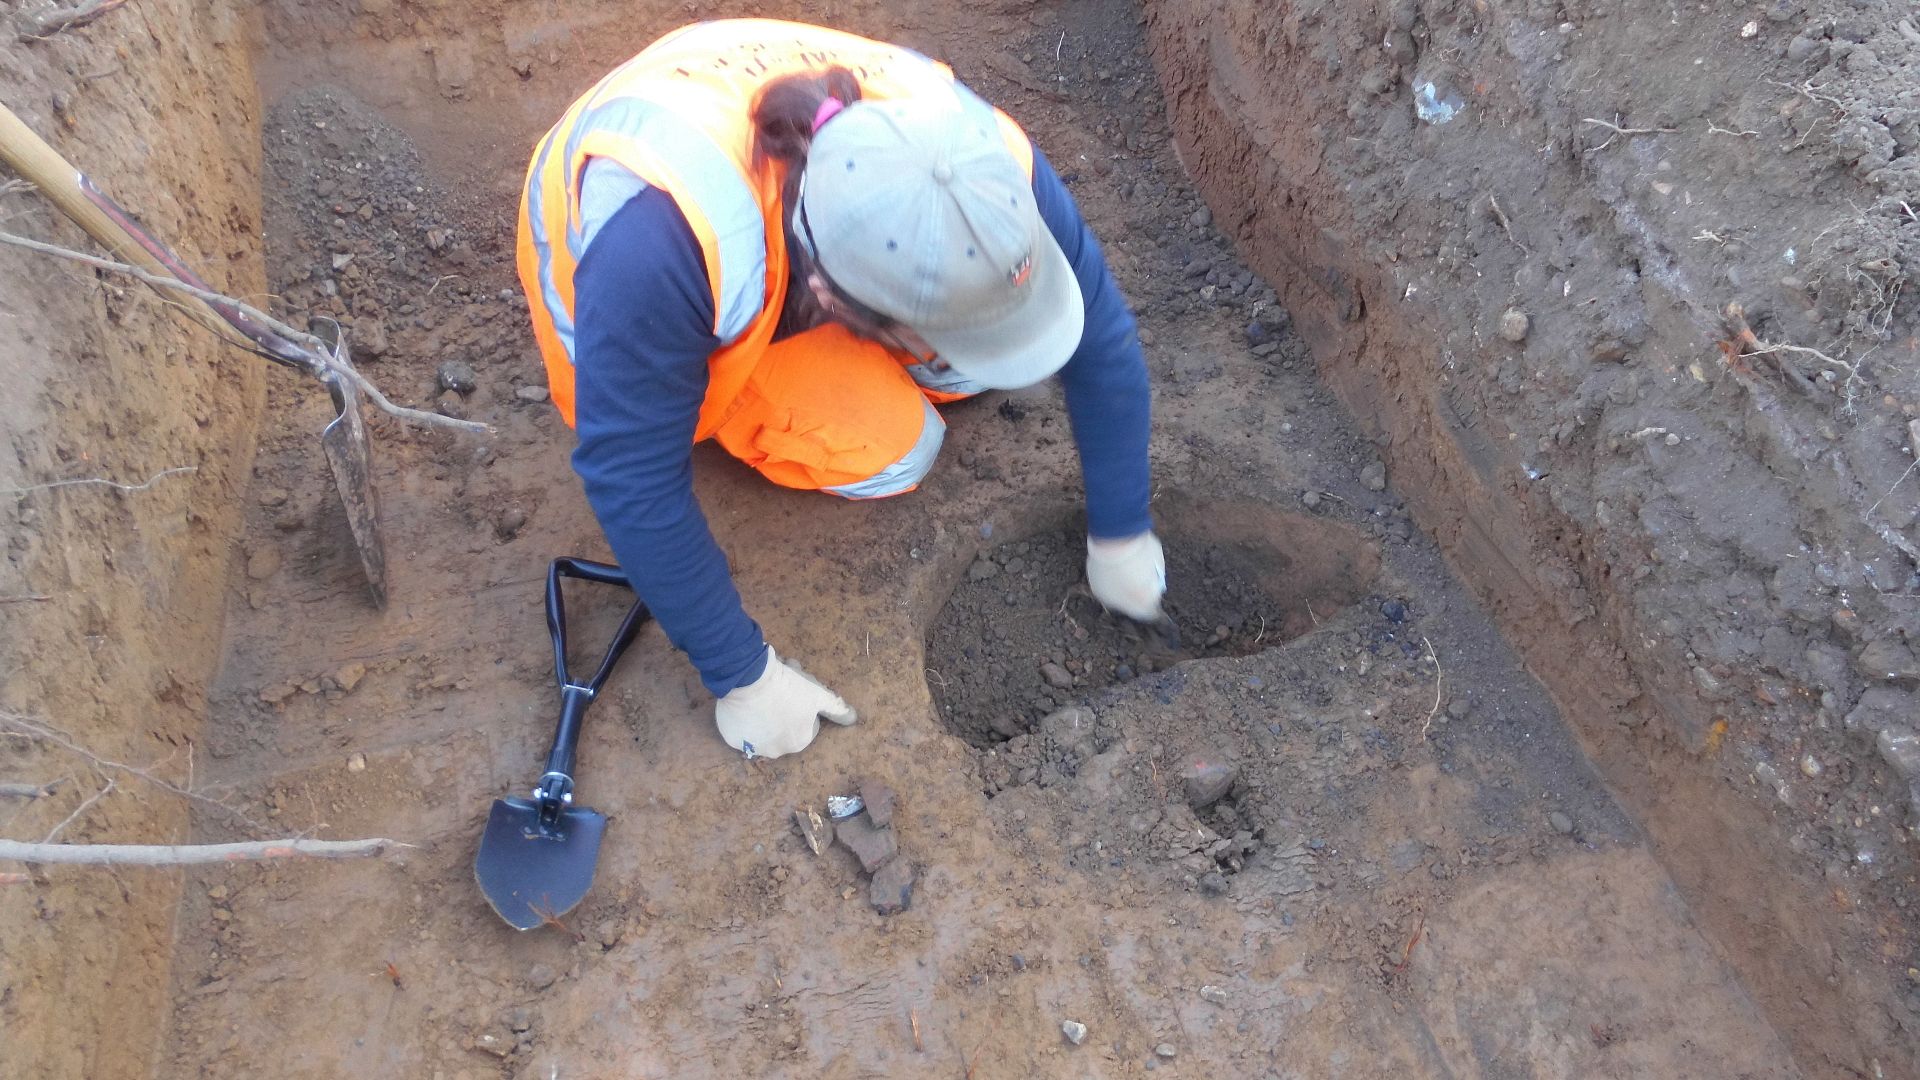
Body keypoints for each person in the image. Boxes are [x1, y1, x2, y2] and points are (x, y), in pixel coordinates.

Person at [516, 19, 1165, 760]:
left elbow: (1097, 331)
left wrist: (1122, 529)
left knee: (986, 359)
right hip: (626, 306)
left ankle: (939, 342)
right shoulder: (663, 250)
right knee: (900, 450)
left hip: (781, 230)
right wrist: (743, 676)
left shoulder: (975, 164)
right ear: (834, 300)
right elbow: (630, 477)